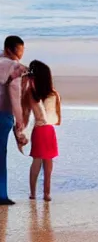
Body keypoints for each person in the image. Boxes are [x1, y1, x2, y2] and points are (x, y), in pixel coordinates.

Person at [22, 61, 61, 202]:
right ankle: (47, 193)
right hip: (49, 129)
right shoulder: (53, 93)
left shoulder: (31, 93)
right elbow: (56, 113)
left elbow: (26, 113)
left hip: (38, 129)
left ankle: (33, 193)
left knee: (37, 161)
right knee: (48, 162)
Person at [0, 36, 27, 205]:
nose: (20, 55)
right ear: (9, 50)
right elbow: (15, 97)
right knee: (1, 155)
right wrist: (20, 121)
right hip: (3, 114)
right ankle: (1, 195)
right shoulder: (14, 67)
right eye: (19, 51)